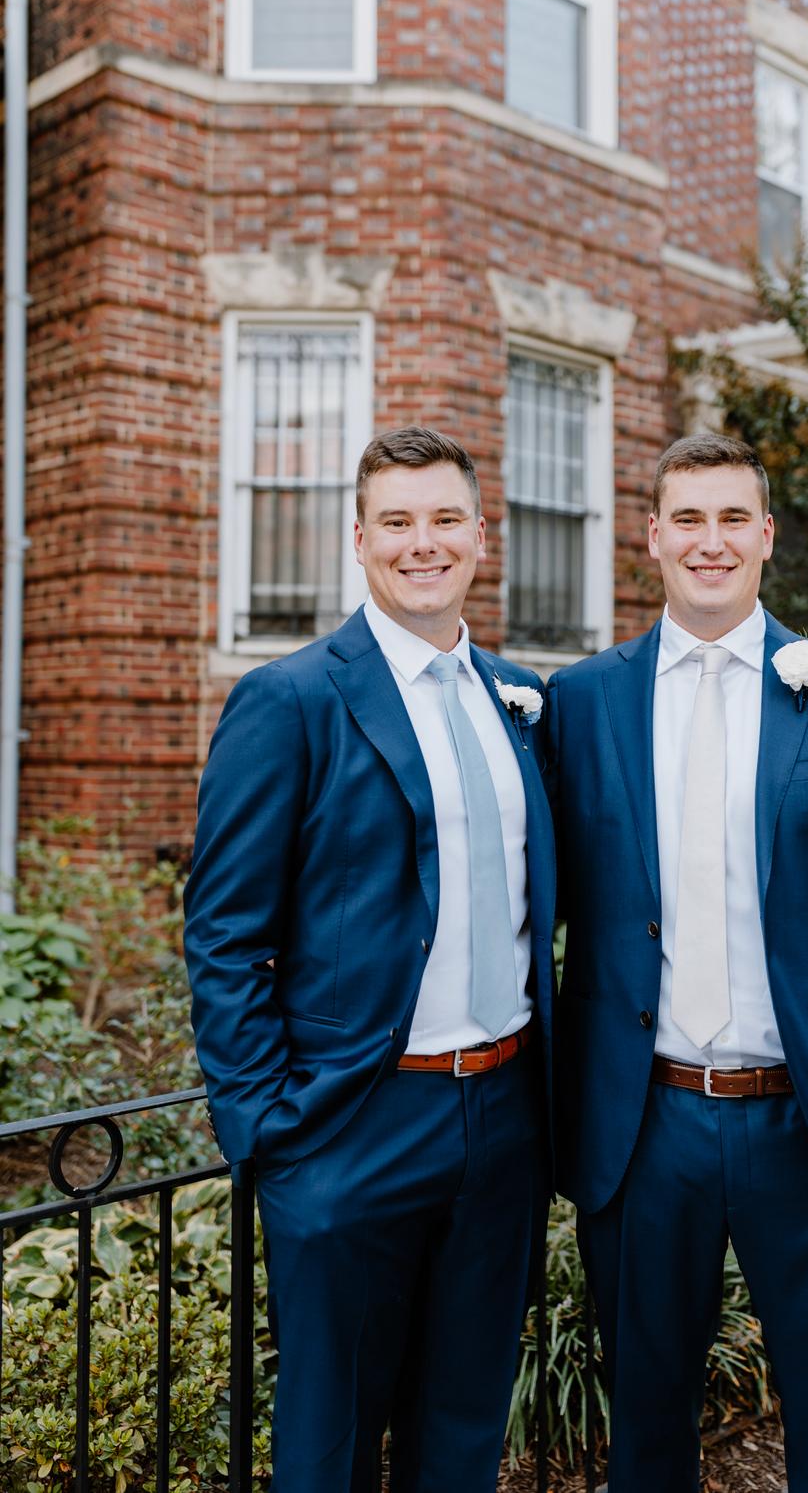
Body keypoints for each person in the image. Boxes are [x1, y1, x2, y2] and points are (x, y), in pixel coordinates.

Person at [545, 433, 808, 1493]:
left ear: (767, 536)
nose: (710, 539)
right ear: (651, 537)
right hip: (647, 1127)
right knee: (645, 1436)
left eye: (734, 517)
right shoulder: (584, 702)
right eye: (688, 517)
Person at [184, 426, 555, 1491]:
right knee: (330, 1446)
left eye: (445, 518)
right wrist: (271, 1132)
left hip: (501, 1121)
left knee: (464, 1432)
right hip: (352, 1129)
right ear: (360, 539)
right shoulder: (291, 699)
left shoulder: (521, 700)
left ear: (482, 537)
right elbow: (223, 931)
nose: (422, 542)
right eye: (397, 521)